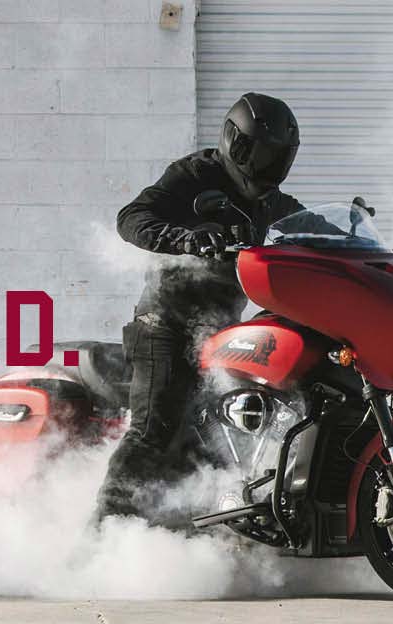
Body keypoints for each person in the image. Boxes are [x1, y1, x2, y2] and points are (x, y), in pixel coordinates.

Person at [96, 93, 307, 524]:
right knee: (155, 427)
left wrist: (349, 236)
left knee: (237, 430)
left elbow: (308, 230)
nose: (267, 167)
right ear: (236, 143)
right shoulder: (194, 176)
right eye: (260, 154)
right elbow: (132, 217)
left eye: (277, 158)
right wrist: (184, 239)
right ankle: (103, 531)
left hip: (223, 332)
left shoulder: (274, 205)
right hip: (165, 323)